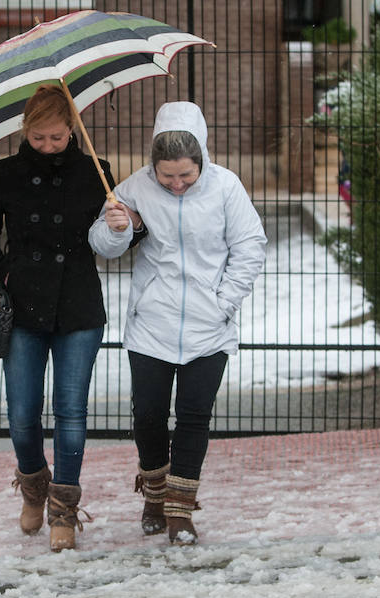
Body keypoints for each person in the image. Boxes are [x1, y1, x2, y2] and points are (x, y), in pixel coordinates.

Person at [88, 101, 267, 546]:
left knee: (193, 417)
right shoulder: (134, 188)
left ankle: (180, 511)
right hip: (152, 324)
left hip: (210, 327)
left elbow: (250, 246)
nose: (177, 183)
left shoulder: (226, 187)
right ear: (154, 165)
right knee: (148, 416)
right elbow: (104, 246)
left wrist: (223, 303)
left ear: (201, 158)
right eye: (168, 176)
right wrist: (115, 226)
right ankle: (154, 493)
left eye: (186, 175)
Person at [0, 85, 120, 552]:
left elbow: (118, 237)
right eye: (39, 139)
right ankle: (34, 487)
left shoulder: (96, 171)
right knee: (22, 413)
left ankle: (64, 510)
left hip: (78, 307)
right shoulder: (6, 173)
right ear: (25, 131)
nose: (49, 146)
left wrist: (124, 224)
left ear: (72, 130)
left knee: (71, 411)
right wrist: (1, 266)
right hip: (23, 307)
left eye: (56, 138)